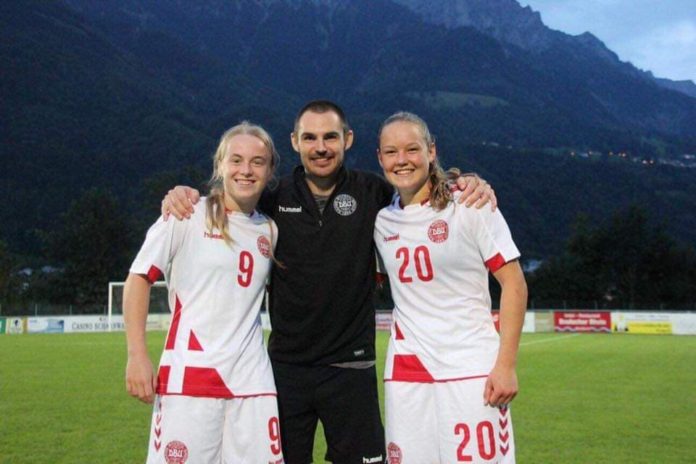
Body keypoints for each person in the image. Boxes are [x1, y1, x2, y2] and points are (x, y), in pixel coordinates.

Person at [162, 100, 496, 463]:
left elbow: (419, 189)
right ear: (295, 142)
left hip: (351, 369)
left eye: (330, 137)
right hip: (286, 371)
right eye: (310, 138)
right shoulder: (273, 199)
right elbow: (232, 198)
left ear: (347, 139)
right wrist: (184, 194)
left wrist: (465, 182)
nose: (320, 147)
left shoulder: (373, 193)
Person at [124, 122, 284, 463]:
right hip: (190, 379)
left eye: (257, 162)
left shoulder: (269, 229)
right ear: (220, 165)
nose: (246, 170)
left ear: (270, 171)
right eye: (236, 160)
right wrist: (137, 355)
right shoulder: (186, 213)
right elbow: (139, 277)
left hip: (253, 383)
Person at [374, 112, 527, 463]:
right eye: (391, 152)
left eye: (412, 149)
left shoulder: (471, 204)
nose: (402, 160)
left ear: (431, 151)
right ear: (380, 158)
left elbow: (514, 283)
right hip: (408, 370)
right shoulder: (381, 221)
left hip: (470, 366)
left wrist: (506, 365)